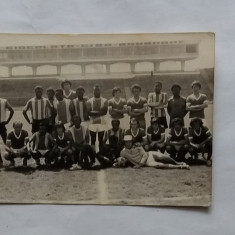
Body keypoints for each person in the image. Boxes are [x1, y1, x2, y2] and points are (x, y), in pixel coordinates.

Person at [114, 135, 189, 169]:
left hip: (149, 155)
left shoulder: (138, 145)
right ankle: (179, 166)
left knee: (162, 157)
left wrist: (139, 165)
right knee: (159, 165)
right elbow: (122, 160)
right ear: (124, 142)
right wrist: (116, 163)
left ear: (132, 141)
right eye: (126, 142)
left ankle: (177, 163)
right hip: (146, 163)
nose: (128, 143)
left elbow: (145, 155)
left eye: (129, 141)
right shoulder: (123, 152)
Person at [86, 84, 108, 151]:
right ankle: (94, 156)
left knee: (100, 140)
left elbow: (105, 112)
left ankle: (100, 154)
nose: (96, 92)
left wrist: (94, 112)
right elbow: (89, 112)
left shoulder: (105, 100)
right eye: (95, 90)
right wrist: (99, 112)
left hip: (102, 123)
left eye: (98, 90)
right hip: (92, 123)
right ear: (93, 91)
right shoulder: (89, 101)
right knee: (93, 140)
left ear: (100, 91)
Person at [0, 97, 14, 166]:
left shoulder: (4, 101)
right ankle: (0, 161)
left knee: (7, 142)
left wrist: (8, 121)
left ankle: (11, 159)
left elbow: (12, 110)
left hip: (2, 125)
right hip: (2, 125)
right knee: (6, 142)